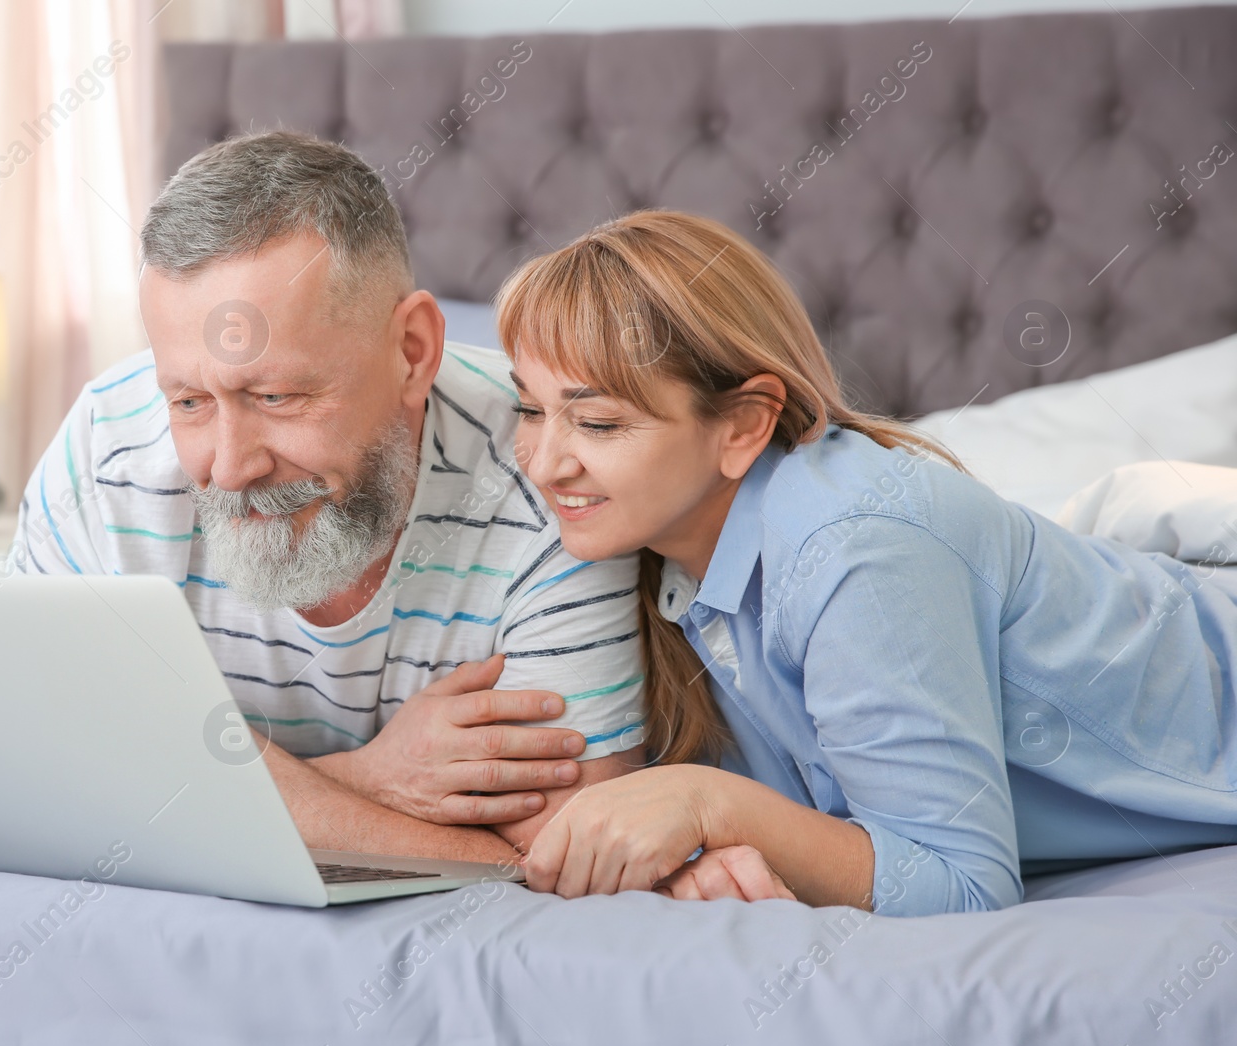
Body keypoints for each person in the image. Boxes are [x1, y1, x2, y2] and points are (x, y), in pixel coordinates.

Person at [499, 209, 1237, 915]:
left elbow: (964, 885)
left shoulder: (856, 549)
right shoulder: (642, 548)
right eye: (529, 408)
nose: (543, 462)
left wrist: (710, 805)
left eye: (597, 421)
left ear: (745, 425)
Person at [13, 131, 646, 865]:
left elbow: (556, 848)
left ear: (413, 351)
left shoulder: (555, 476)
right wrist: (371, 777)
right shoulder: (102, 450)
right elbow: (41, 769)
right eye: (188, 400)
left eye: (276, 394)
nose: (229, 465)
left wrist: (190, 782)